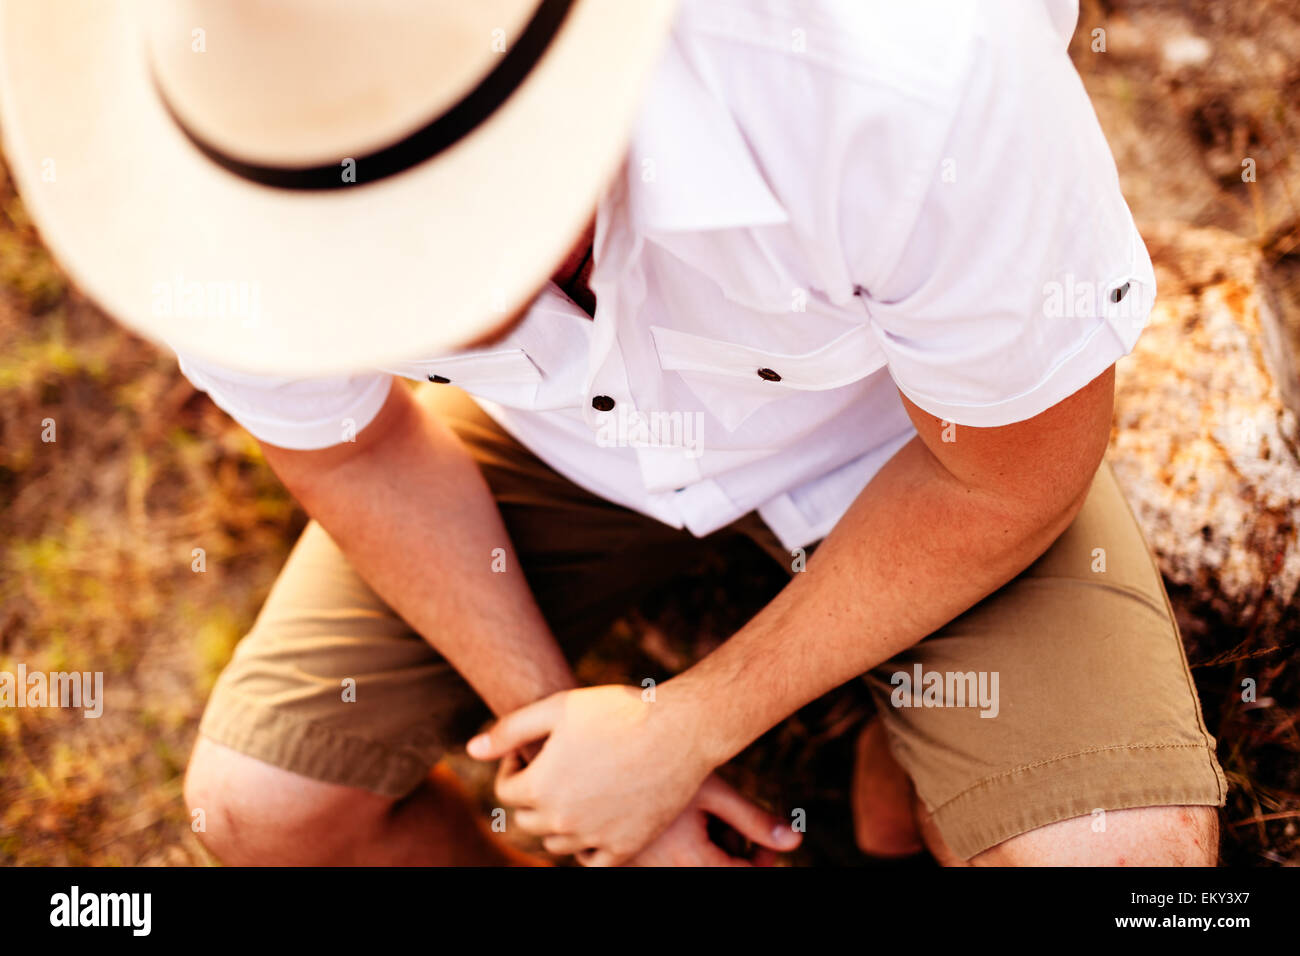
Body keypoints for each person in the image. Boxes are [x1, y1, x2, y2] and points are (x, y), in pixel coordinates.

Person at [0, 0, 1226, 866]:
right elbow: (350, 446)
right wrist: (577, 764)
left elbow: (1010, 477)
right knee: (260, 804)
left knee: (1112, 852)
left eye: (405, 231)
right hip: (557, 439)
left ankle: (900, 765)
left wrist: (684, 724)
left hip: (908, 437)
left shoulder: (905, 69)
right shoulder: (203, 171)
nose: (365, 295)